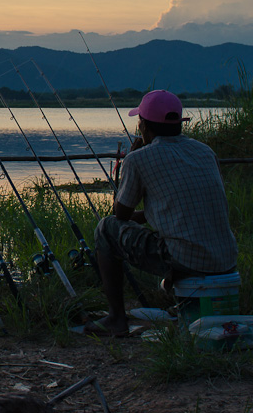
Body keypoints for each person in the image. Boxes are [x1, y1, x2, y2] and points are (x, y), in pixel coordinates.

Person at [86, 89, 237, 336]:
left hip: (186, 259)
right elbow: (185, 204)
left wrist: (131, 158)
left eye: (140, 123)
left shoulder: (140, 159)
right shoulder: (204, 152)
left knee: (106, 228)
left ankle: (116, 319)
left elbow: (121, 214)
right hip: (226, 258)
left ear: (144, 126)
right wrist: (145, 215)